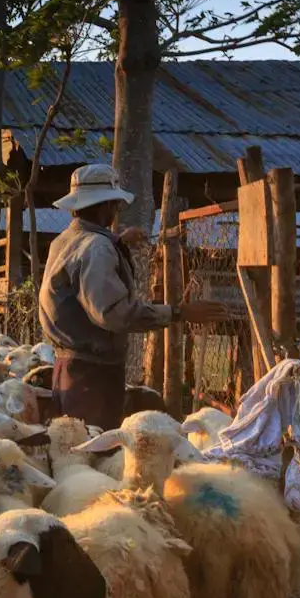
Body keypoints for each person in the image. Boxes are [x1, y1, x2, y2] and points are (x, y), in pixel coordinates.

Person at [38, 163, 225, 430]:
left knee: (73, 451)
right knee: (94, 451)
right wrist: (178, 312)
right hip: (93, 376)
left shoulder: (66, 240)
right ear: (106, 206)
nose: (116, 211)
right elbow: (114, 313)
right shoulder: (97, 247)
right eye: (115, 205)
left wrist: (117, 241)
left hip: (68, 367)